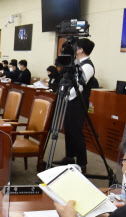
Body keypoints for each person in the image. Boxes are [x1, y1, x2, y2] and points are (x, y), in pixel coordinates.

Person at [54, 38, 96, 173]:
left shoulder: (88, 66)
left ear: (81, 49)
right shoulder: (76, 63)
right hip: (70, 101)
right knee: (69, 130)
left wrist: (66, 95)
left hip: (78, 103)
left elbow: (79, 86)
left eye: (75, 47)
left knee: (76, 132)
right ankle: (70, 156)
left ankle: (82, 163)